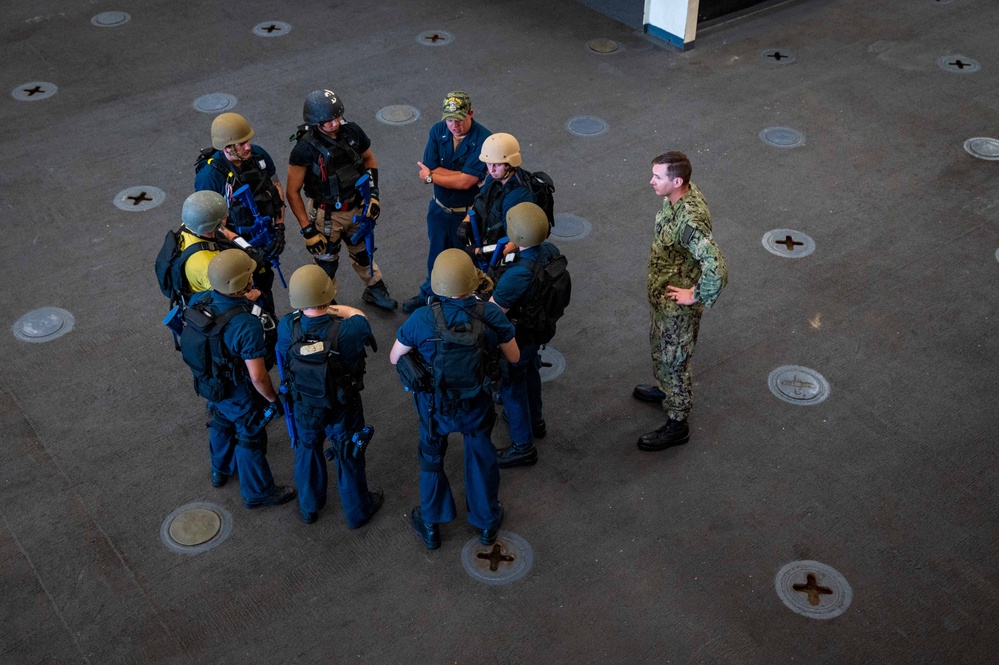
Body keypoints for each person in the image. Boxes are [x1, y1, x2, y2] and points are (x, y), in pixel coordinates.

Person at [389, 249, 519, 549]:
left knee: (432, 457)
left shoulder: (422, 318)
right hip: (477, 404)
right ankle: (486, 522)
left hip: (435, 407)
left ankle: (432, 524)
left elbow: (395, 357)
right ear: (472, 283)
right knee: (480, 453)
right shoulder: (490, 314)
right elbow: (515, 356)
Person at [185, 249, 297, 508]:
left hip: (211, 385)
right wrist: (273, 399)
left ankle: (220, 471)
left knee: (222, 422)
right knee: (250, 435)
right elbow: (257, 376)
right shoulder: (245, 325)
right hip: (240, 392)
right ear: (242, 284)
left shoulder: (200, 300)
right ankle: (257, 492)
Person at [276, 265, 384, 526]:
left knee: (307, 449)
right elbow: (358, 315)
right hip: (342, 405)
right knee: (348, 454)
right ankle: (358, 512)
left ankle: (309, 507)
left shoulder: (286, 327)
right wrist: (333, 308)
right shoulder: (350, 330)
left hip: (305, 405)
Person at [634, 151, 728, 451]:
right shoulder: (677, 195)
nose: (651, 181)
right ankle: (665, 390)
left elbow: (717, 265)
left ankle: (677, 421)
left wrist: (696, 294)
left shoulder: (689, 220)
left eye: (657, 177)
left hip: (678, 305)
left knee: (676, 360)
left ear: (676, 181)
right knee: (661, 349)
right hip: (664, 295)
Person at [287, 89, 397, 310]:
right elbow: (292, 191)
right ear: (315, 122)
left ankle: (374, 287)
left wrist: (373, 196)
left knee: (363, 251)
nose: (335, 124)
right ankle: (324, 302)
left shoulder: (352, 132)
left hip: (357, 206)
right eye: (328, 121)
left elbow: (369, 161)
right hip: (326, 215)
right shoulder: (303, 150)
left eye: (337, 117)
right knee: (326, 262)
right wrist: (307, 230)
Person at [403, 91, 492, 313]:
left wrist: (433, 177)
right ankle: (428, 296)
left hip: (466, 215)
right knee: (436, 257)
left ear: (470, 113)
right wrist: (460, 175)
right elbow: (436, 167)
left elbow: (465, 182)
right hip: (439, 210)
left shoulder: (483, 139)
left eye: (459, 119)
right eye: (450, 119)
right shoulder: (438, 130)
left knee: (465, 262)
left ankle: (460, 305)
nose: (454, 125)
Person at [488, 203, 561, 467]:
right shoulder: (550, 252)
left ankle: (522, 446)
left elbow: (493, 313)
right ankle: (536, 421)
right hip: (537, 331)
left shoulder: (517, 275)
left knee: (512, 387)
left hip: (517, 338)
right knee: (531, 373)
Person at [195, 112, 286, 315]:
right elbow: (211, 224)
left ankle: (269, 321)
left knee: (264, 287)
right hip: (233, 246)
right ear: (226, 147)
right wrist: (248, 249)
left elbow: (276, 189)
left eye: (248, 141)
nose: (248, 146)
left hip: (263, 235)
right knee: (244, 298)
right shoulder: (210, 177)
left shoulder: (259, 156)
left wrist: (279, 227)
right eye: (241, 143)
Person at [457, 132, 535, 260]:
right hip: (489, 241)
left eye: (497, 164)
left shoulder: (518, 197)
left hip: (507, 258)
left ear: (510, 164)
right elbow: (480, 201)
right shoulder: (494, 179)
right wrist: (466, 221)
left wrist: (479, 252)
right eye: (489, 163)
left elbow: (517, 240)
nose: (492, 170)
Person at [176, 190, 240, 295]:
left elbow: (223, 231)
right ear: (212, 226)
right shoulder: (209, 266)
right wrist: (257, 293)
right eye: (224, 217)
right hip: (213, 297)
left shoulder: (192, 224)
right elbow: (231, 296)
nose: (227, 215)